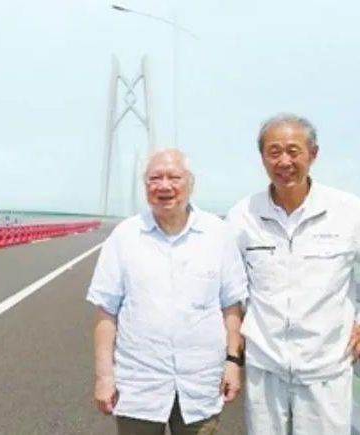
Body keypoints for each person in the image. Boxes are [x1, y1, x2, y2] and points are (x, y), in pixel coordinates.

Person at [87, 148, 248, 435]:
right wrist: (104, 376)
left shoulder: (218, 234)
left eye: (174, 177)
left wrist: (233, 362)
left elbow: (231, 306)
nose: (164, 186)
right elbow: (106, 311)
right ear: (145, 185)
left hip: (200, 385)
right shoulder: (125, 236)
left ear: (191, 183)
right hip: (139, 386)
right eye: (154, 178)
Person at [226, 113, 360, 435]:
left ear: (313, 154)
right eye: (274, 152)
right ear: (262, 158)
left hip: (326, 368)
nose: (284, 161)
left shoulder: (348, 211)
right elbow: (227, 286)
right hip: (265, 369)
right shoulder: (243, 216)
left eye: (293, 151)